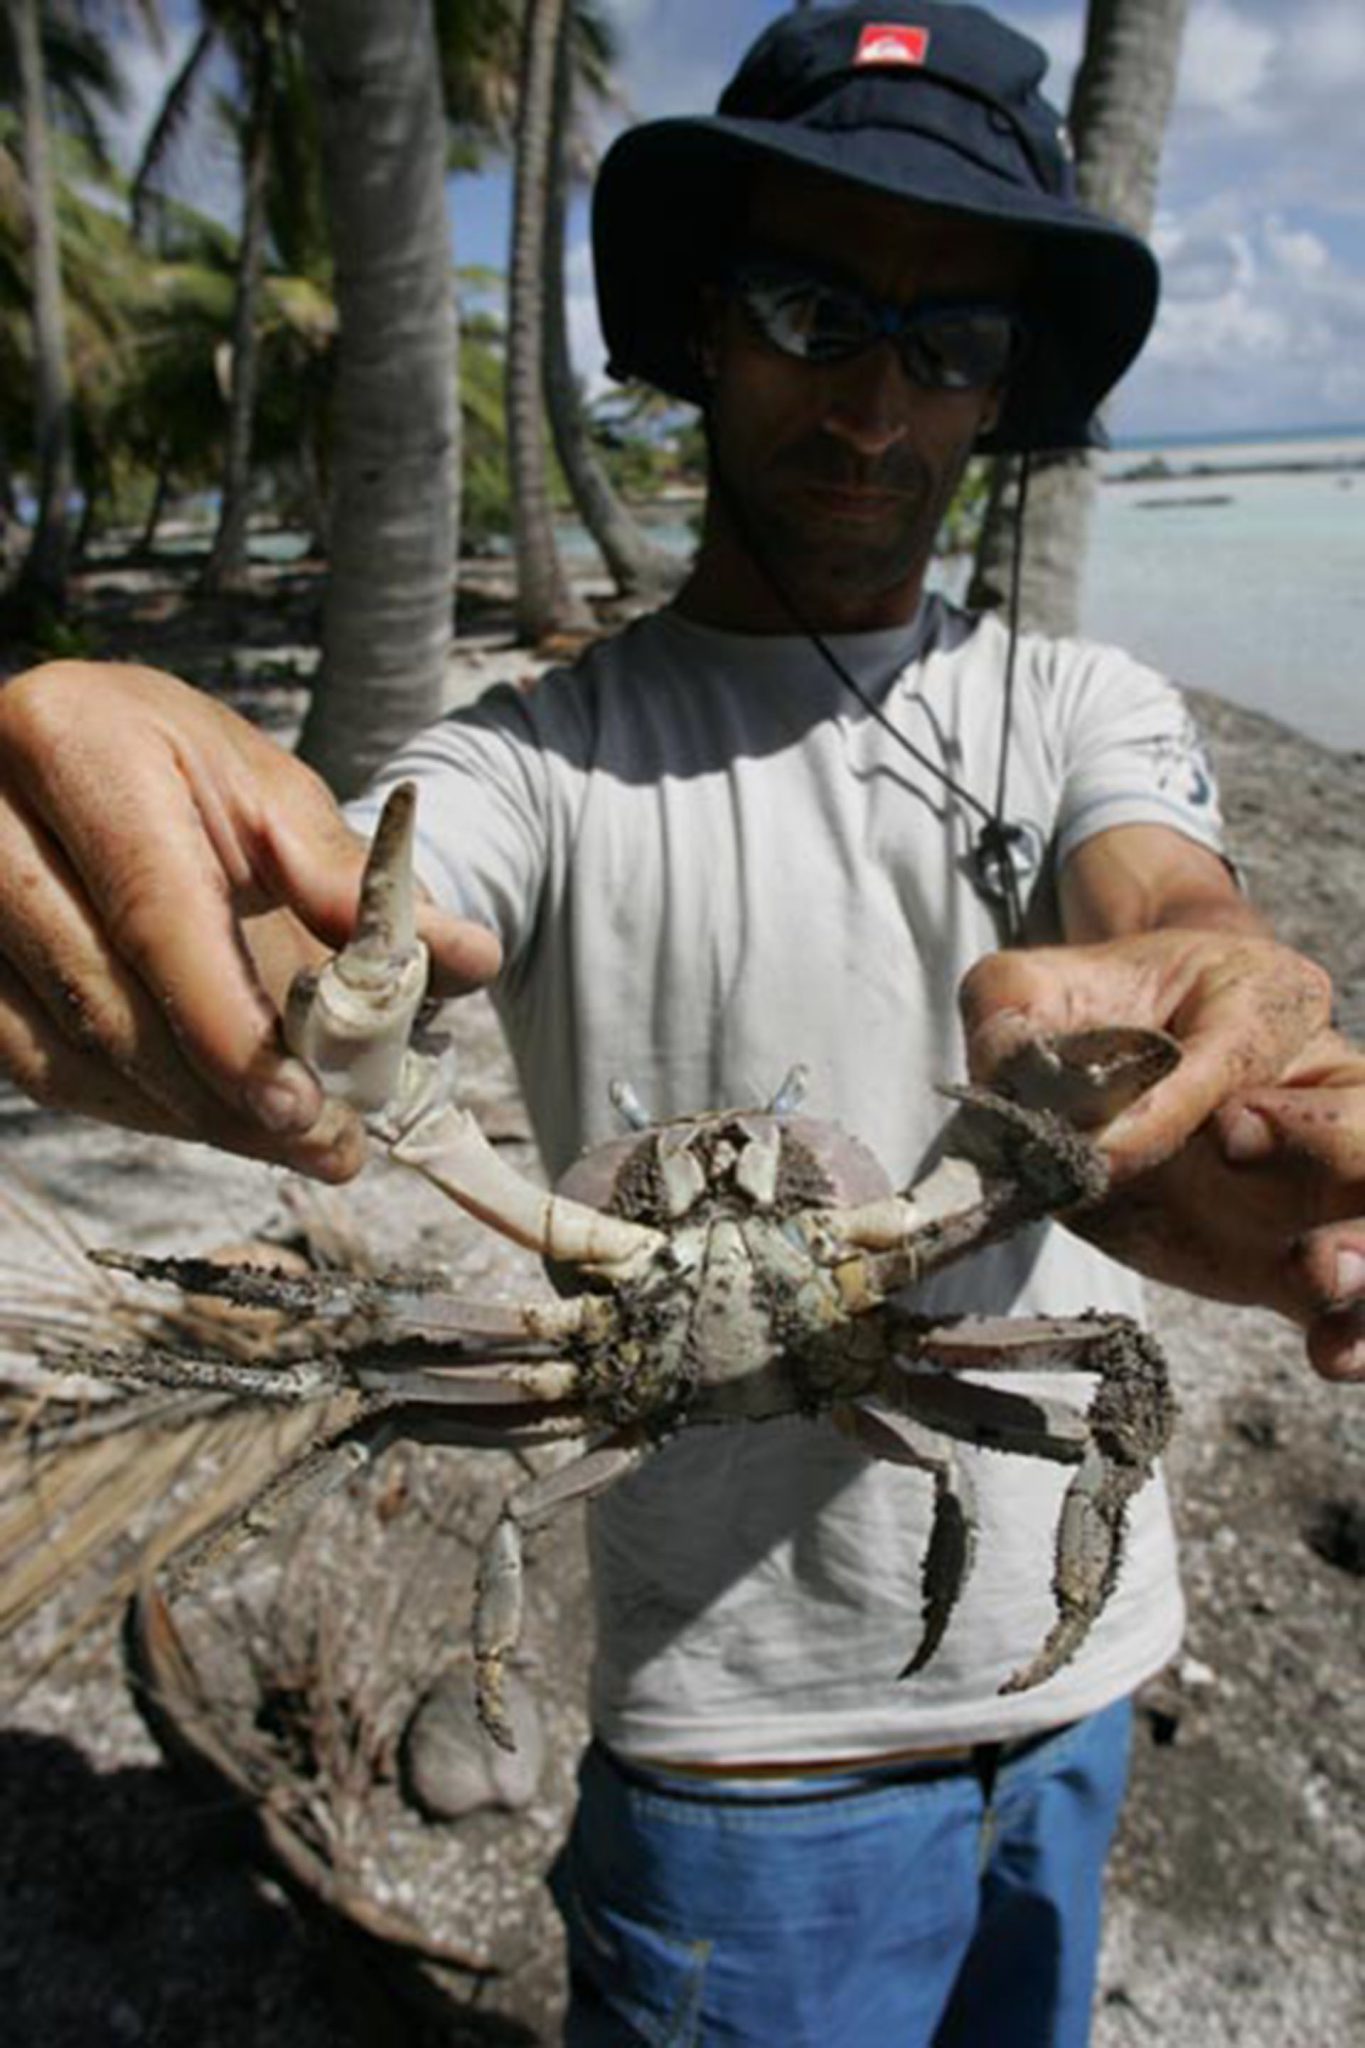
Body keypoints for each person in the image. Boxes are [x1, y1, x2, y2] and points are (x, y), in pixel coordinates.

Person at [0, 6, 1361, 2042]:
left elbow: (1155, 896)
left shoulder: (1080, 705)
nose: (877, 400)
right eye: (811, 308)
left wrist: (1227, 998)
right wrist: (215, 947)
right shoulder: (536, 758)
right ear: (698, 330)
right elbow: (364, 954)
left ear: (1002, 388)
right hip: (738, 1767)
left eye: (951, 341)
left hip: (1072, 1703)